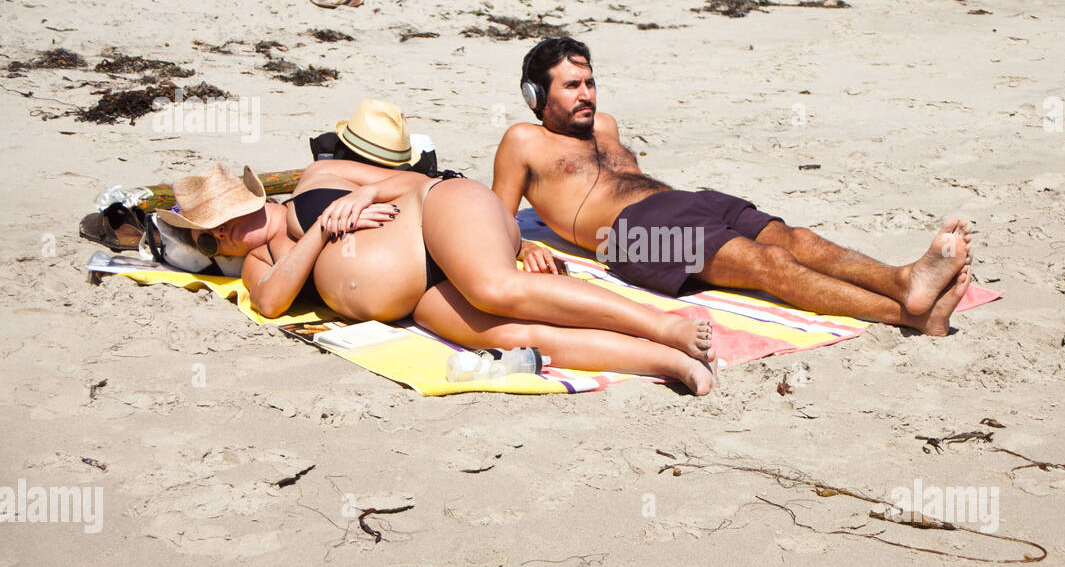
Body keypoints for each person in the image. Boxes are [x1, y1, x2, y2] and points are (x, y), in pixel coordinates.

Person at [162, 101, 717, 394]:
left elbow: (411, 182)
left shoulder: (320, 173)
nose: (227, 234)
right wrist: (320, 233)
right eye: (213, 237)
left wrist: (366, 194)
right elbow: (272, 304)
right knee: (515, 334)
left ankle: (663, 324)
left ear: (249, 196)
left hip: (436, 213)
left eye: (227, 218)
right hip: (417, 294)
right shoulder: (265, 261)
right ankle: (667, 362)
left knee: (494, 288)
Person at [492, 39, 975, 337]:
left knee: (799, 239)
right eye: (571, 86)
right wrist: (526, 244)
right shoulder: (524, 141)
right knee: (772, 264)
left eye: (590, 83)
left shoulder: (607, 125)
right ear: (536, 96)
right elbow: (492, 218)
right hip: (631, 234)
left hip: (685, 202)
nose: (587, 95)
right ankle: (906, 316)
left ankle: (905, 281)